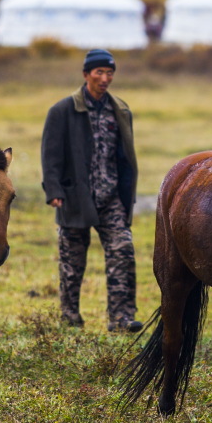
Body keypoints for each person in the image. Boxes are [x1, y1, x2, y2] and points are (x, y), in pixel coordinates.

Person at [41, 49, 142, 333]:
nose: (105, 78)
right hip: (74, 198)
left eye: (110, 73)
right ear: (86, 74)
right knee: (72, 264)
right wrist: (54, 190)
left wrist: (126, 195)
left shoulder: (120, 110)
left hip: (111, 198)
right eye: (99, 73)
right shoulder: (62, 111)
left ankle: (121, 318)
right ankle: (70, 317)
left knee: (122, 250)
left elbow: (125, 157)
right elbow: (50, 155)